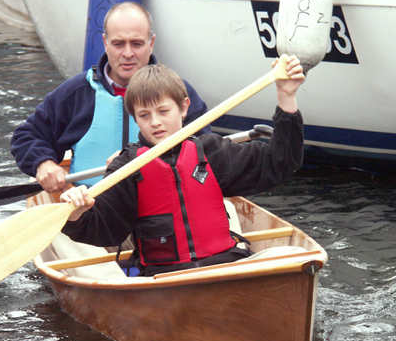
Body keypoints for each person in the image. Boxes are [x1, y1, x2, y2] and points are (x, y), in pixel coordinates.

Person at [59, 55, 305, 276]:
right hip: (164, 278)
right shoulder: (127, 167)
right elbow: (104, 230)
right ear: (136, 118)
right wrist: (77, 213)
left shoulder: (210, 151)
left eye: (163, 111)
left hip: (225, 267)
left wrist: (287, 96)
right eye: (144, 116)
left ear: (184, 107)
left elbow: (281, 161)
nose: (155, 122)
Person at [10, 1, 210, 192]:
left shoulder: (178, 92)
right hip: (91, 204)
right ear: (105, 42)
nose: (128, 53)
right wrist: (42, 163)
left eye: (137, 43)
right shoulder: (76, 93)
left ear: (151, 43)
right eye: (118, 44)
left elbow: (207, 148)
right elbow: (26, 136)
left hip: (160, 205)